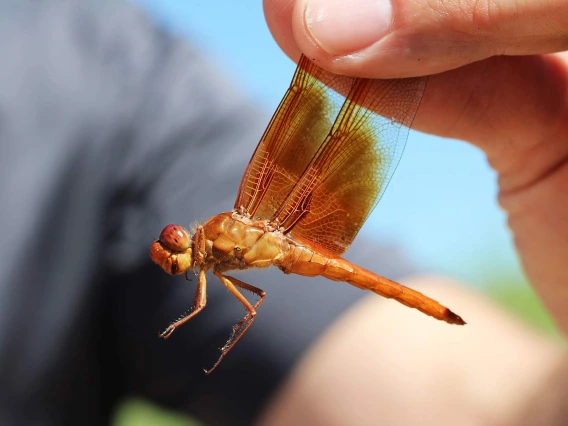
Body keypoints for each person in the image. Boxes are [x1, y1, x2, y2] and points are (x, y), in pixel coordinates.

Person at [0, 2, 566, 426]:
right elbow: (238, 301)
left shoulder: (113, 86)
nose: (172, 249)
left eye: (172, 244)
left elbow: (488, 404)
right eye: (171, 249)